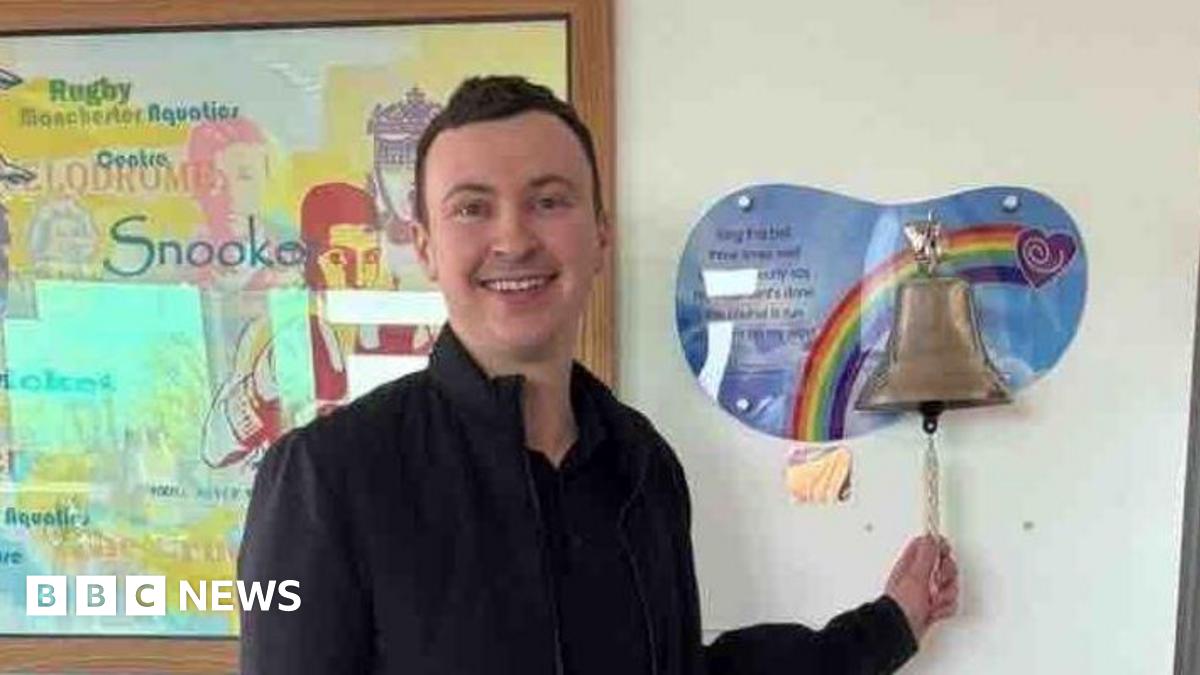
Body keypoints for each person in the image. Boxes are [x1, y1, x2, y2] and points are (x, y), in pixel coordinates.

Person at [238, 75, 958, 674]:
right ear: (425, 246)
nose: (514, 237)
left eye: (549, 200)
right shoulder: (320, 478)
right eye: (471, 208)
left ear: (600, 235)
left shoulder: (643, 463)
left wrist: (890, 623)